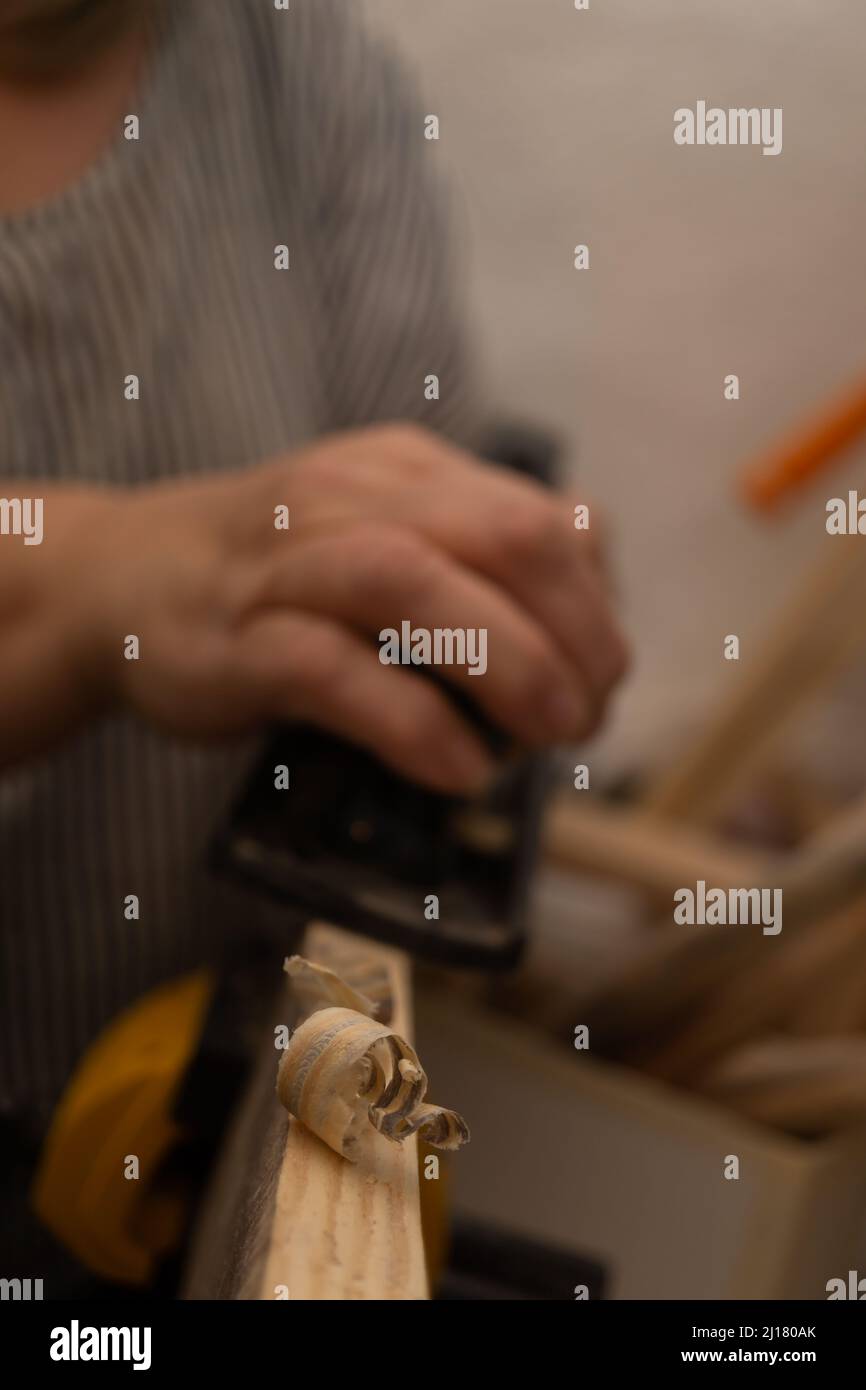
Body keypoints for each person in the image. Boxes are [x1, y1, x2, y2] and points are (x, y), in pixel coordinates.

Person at [0, 0, 628, 1280]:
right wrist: (88, 586)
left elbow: (410, 532)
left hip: (176, 1130)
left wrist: (477, 592)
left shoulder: (297, 64)